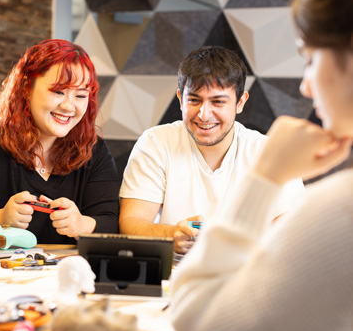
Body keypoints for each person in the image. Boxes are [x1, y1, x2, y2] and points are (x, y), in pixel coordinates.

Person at [170, 0, 353, 331]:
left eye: (310, 58)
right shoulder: (157, 141)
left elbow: (197, 319)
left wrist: (264, 177)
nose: (305, 86)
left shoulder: (342, 211)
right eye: (195, 99)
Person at [119, 46, 304, 254]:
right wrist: (171, 235)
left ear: (240, 102)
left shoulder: (268, 152)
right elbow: (131, 222)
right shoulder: (156, 142)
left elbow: (292, 236)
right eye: (194, 100)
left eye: (218, 101)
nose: (204, 114)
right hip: (172, 275)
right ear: (180, 99)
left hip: (244, 277)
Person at [0, 39, 120, 244]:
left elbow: (111, 222)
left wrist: (81, 224)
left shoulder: (95, 151)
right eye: (58, 91)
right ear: (26, 87)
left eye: (81, 96)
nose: (69, 106)